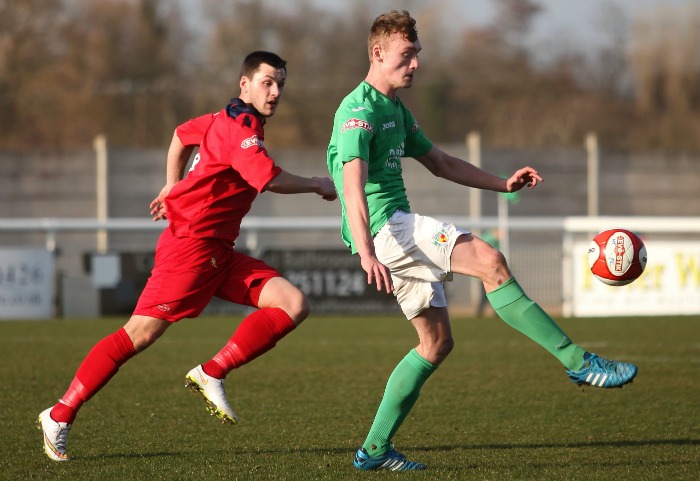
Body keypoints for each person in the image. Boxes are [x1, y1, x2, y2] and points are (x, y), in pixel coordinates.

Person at [326, 11, 638, 472]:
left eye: (417, 56)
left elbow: (443, 164)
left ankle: (373, 450)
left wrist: (502, 185)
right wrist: (368, 249)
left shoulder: (395, 110)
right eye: (406, 55)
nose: (415, 65)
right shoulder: (359, 111)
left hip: (392, 228)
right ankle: (578, 361)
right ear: (378, 53)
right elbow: (352, 184)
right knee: (491, 260)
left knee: (435, 344)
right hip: (385, 228)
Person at [37, 51, 337, 462]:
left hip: (218, 250)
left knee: (292, 303)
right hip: (191, 248)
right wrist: (319, 183)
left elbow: (181, 134)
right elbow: (268, 178)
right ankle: (59, 414)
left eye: (281, 83)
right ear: (244, 85)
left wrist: (171, 186)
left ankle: (211, 372)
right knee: (138, 334)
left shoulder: (220, 118)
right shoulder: (242, 126)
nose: (276, 91)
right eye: (267, 82)